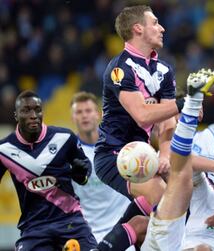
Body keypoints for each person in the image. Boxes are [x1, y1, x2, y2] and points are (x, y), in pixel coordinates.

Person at [93, 5, 185, 249]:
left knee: (177, 199)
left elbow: (167, 122)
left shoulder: (164, 70)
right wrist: (184, 103)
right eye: (155, 22)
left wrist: (165, 155)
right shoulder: (119, 68)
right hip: (113, 154)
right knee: (166, 199)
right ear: (138, 28)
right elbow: (143, 115)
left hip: (143, 155)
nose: (162, 27)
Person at [0, 91, 96, 250]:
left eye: (37, 109)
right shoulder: (4, 150)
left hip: (70, 220)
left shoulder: (64, 137)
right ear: (16, 115)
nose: (33, 115)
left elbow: (83, 173)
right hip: (34, 227)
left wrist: (81, 174)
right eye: (26, 110)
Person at [141, 68, 214, 250]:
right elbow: (180, 160)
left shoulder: (211, 136)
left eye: (198, 105)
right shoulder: (164, 142)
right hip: (173, 212)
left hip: (203, 215)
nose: (197, 110)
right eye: (192, 105)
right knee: (139, 222)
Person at [70, 92, 131, 243]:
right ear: (73, 117)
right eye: (79, 112)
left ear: (98, 114)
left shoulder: (120, 143)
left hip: (123, 228)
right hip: (88, 233)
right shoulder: (67, 152)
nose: (84, 115)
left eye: (88, 110)